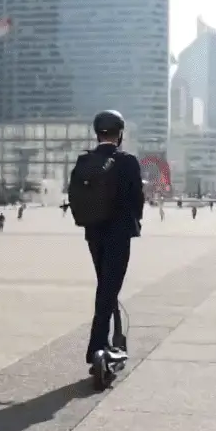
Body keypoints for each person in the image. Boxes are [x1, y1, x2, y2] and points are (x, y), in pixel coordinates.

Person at [68, 110, 143, 371]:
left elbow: (74, 194)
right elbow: (137, 198)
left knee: (106, 285)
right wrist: (136, 221)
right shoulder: (128, 162)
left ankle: (111, 340)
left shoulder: (84, 161)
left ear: (97, 132)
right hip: (119, 233)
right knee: (109, 289)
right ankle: (97, 347)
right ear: (119, 133)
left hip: (94, 232)